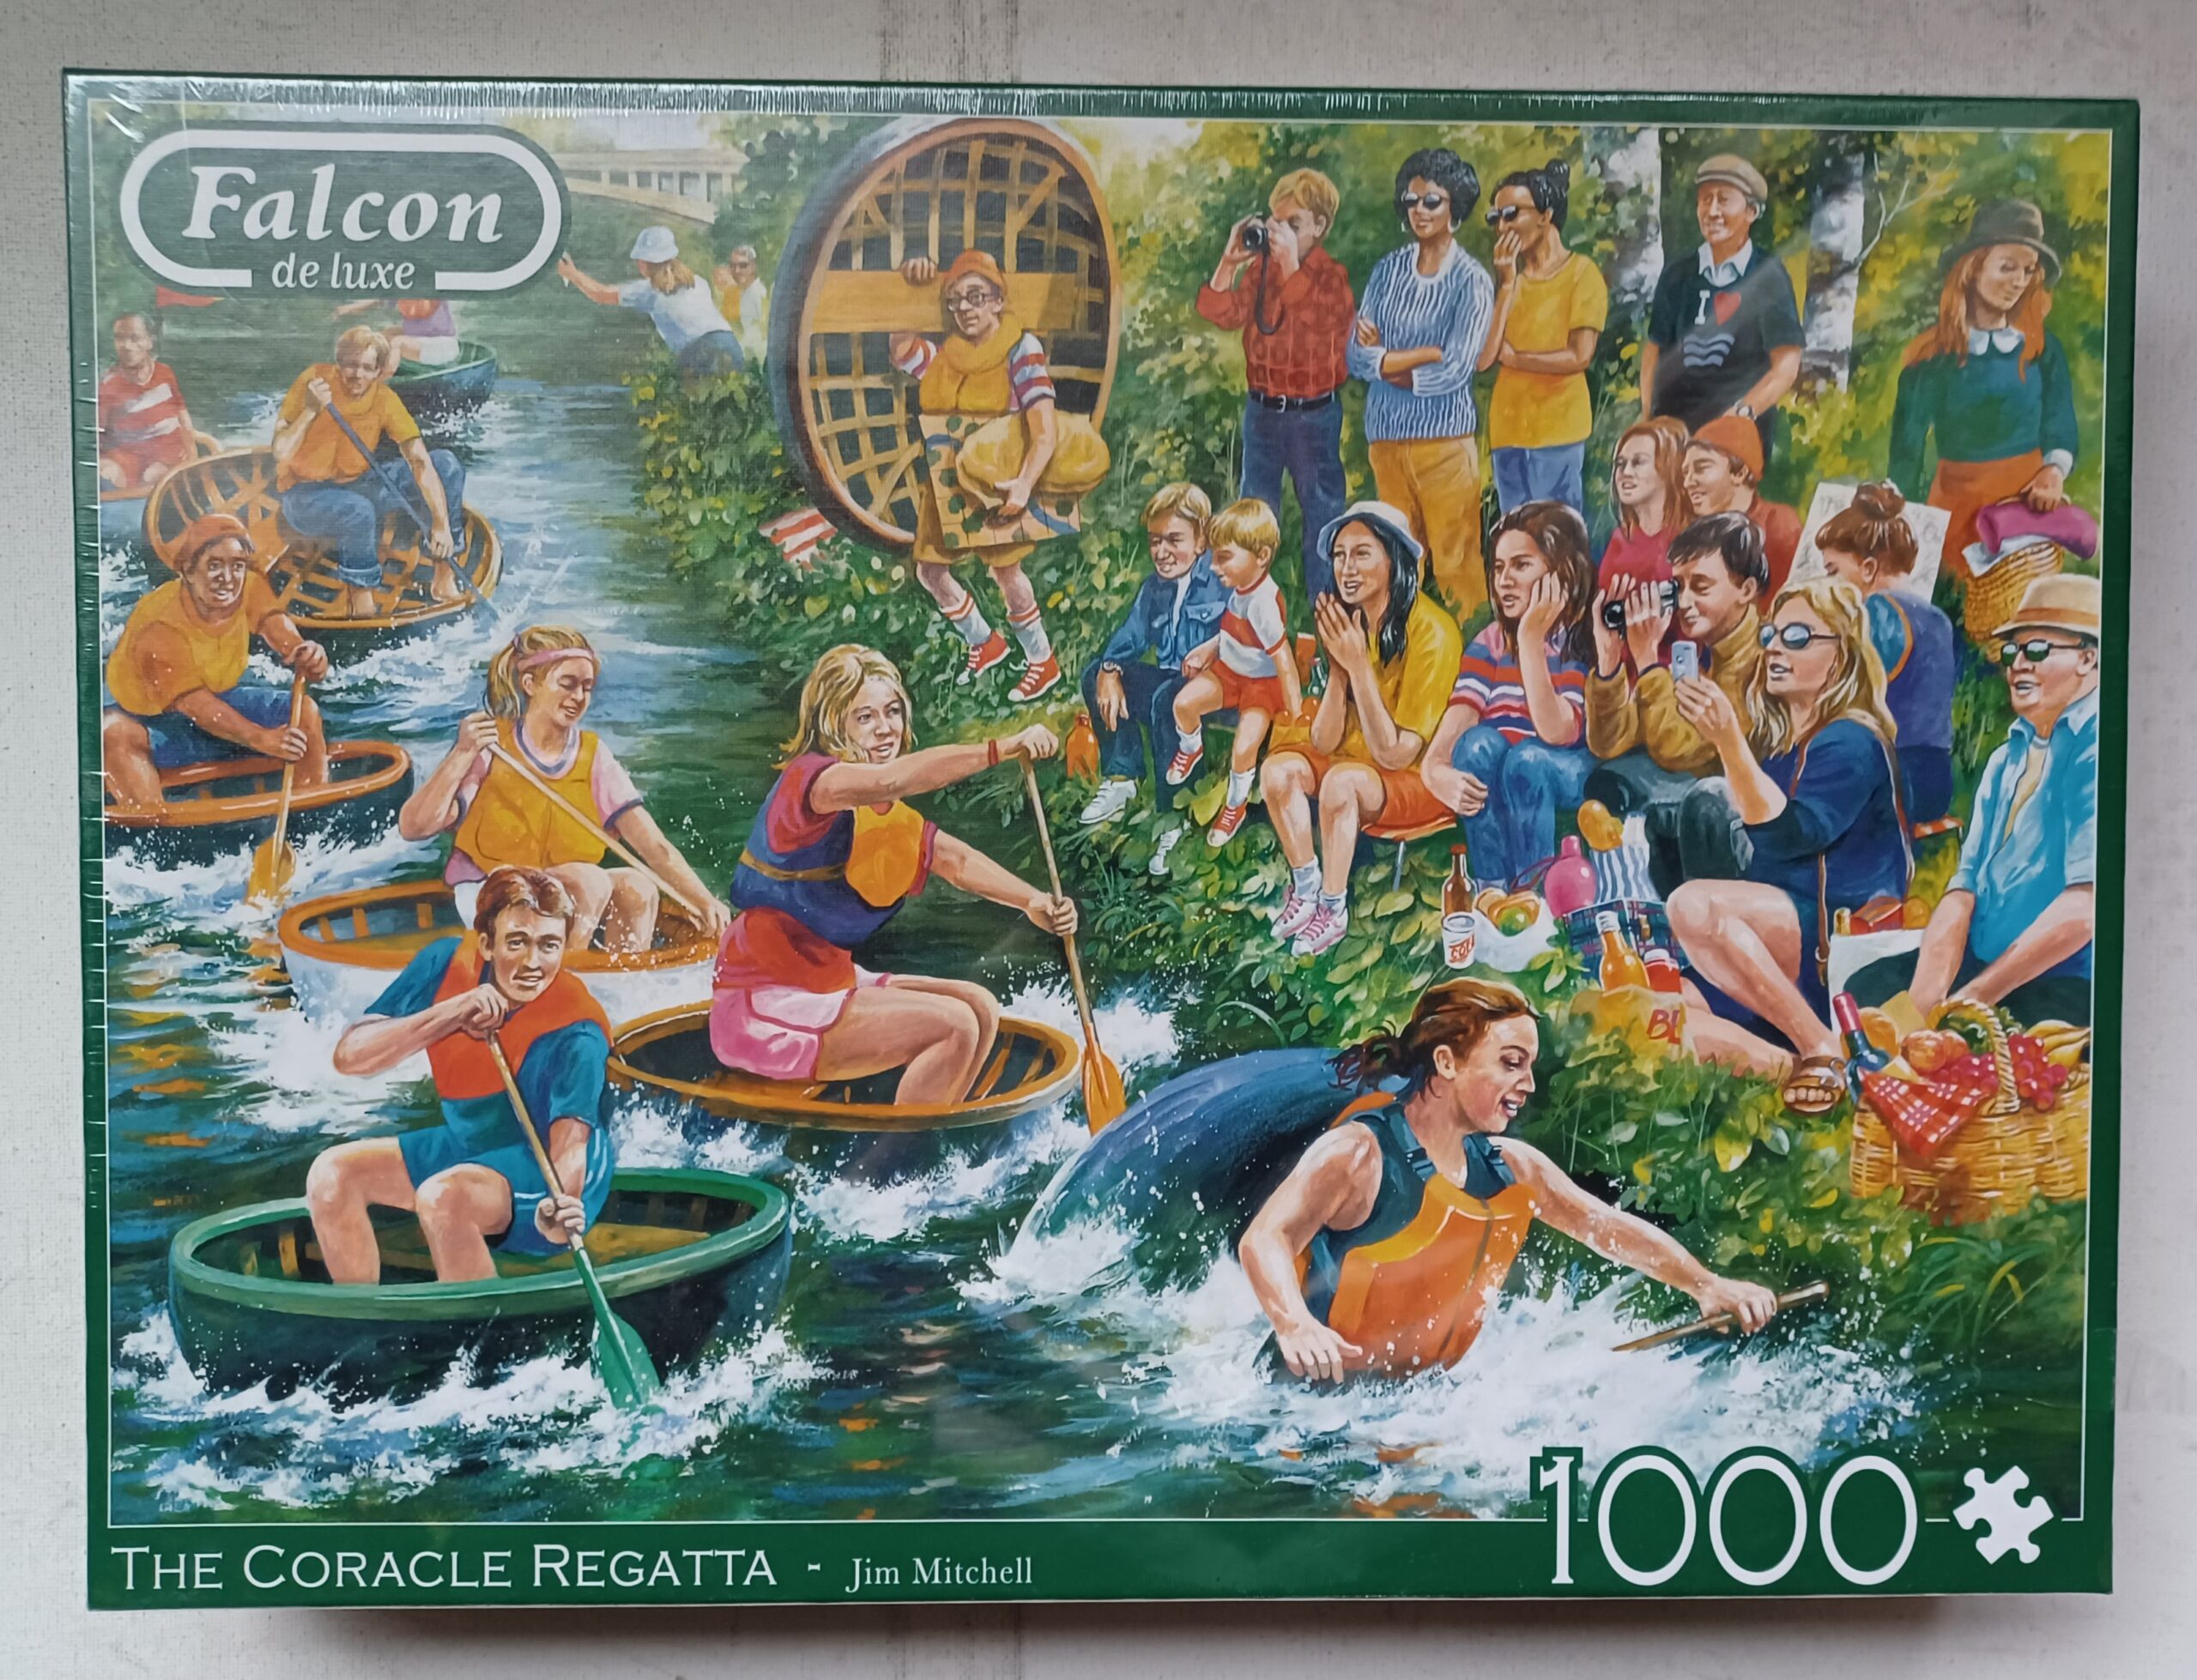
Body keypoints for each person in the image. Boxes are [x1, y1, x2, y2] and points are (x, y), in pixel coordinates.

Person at [1239, 977, 1779, 1382]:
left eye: (1530, 1066)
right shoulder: (1358, 1154)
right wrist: (1295, 1326)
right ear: (1447, 1062)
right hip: (1302, 1408)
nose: (1528, 1084)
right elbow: (1265, 1238)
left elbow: (1605, 1227)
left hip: (1410, 1411)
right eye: (1511, 1063)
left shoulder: (1511, 1167)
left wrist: (1707, 1285)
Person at [711, 644, 1079, 1104]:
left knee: (981, 1007)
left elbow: (955, 861)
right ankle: (900, 1148)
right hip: (764, 1005)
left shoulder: (890, 819)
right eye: (864, 717)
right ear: (833, 725)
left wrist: (1032, 901)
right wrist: (1002, 748)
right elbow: (891, 780)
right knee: (955, 1026)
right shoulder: (812, 784)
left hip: (832, 985)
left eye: (893, 711)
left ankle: (924, 1126)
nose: (885, 728)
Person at [1664, 580, 1911, 1115]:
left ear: (1841, 654)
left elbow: (1792, 836)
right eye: (1772, 635)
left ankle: (1821, 1044)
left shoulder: (1852, 741)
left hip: (1836, 938)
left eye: (1797, 636)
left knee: (1691, 905)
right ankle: (1798, 1070)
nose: (1774, 648)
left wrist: (1727, 741)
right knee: (1659, 1013)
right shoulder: (1783, 743)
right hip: (1779, 939)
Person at [306, 867, 609, 1284]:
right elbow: (351, 1057)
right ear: (486, 944)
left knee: (443, 1197)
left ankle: (479, 1323)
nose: (533, 963)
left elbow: (570, 1149)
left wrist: (559, 1211)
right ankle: (363, 1316)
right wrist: (453, 1013)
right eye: (517, 942)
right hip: (470, 1147)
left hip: (545, 1172)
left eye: (549, 945)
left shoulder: (578, 1032)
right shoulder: (445, 963)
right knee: (332, 1174)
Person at [1851, 575, 2099, 1027]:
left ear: (2088, 657)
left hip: (2058, 977)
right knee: (1864, 990)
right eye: (2011, 652)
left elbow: (2085, 908)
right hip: (1982, 962)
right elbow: (1962, 890)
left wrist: (1972, 1000)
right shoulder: (2007, 757)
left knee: (1978, 1039)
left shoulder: (2097, 749)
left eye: (2036, 650)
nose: (2017, 665)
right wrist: (1924, 1002)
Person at [397, 625, 729, 955]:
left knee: (637, 887)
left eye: (587, 687)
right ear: (530, 684)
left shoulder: (593, 756)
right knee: (589, 881)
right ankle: (559, 978)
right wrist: (462, 753)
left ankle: (621, 976)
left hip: (562, 896)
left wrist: (703, 900)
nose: (579, 698)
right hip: (489, 893)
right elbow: (414, 827)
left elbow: (653, 846)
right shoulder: (492, 747)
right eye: (567, 684)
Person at [887, 248, 1110, 702]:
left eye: (976, 296)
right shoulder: (947, 355)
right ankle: (984, 641)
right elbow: (903, 350)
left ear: (998, 300)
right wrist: (912, 284)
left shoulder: (1021, 350)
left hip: (996, 476)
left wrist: (1024, 484)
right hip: (947, 478)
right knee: (930, 569)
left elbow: (1043, 428)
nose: (965, 309)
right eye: (955, 300)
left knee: (1007, 572)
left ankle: (1042, 661)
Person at [1262, 502, 1462, 958]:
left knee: (1340, 782)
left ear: (1394, 559)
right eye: (1339, 556)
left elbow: (1396, 753)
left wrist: (1358, 666)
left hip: (1417, 777)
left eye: (1361, 554)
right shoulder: (1354, 621)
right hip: (1356, 760)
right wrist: (1338, 670)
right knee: (1278, 771)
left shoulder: (1433, 632)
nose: (1346, 569)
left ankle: (1333, 909)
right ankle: (1306, 887)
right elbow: (1324, 741)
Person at [1345, 148, 1498, 616]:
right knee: (1397, 564)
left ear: (1456, 207)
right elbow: (1356, 356)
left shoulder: (1471, 280)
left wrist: (1386, 360)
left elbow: (1455, 370)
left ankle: (1471, 651)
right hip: (1386, 440)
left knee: (1456, 565)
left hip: (1444, 444)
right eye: (1411, 201)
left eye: (1432, 201)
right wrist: (1424, 354)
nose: (1419, 210)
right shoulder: (1388, 270)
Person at [1583, 511, 1769, 890]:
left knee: (1692, 800)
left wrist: (1648, 661)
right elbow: (1608, 743)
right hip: (1706, 795)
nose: (1684, 601)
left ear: (1746, 590)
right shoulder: (1704, 660)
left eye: (1701, 587)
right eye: (1678, 586)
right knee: (1611, 776)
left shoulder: (1762, 661)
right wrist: (1609, 660)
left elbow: (1678, 750)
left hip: (1748, 816)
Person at [1888, 201, 2079, 567]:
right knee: (1957, 593)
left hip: (2026, 512)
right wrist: (1905, 519)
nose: (2019, 281)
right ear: (1972, 270)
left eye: (2028, 270)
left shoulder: (2042, 349)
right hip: (1955, 512)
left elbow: (2060, 422)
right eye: (2007, 267)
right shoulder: (1931, 358)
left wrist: (2053, 472)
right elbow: (1906, 455)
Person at [1195, 167, 1354, 603]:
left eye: (1294, 224)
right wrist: (1229, 262)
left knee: (1322, 519)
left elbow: (1323, 321)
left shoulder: (1331, 276)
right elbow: (1223, 313)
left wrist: (1290, 267)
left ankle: (1327, 616)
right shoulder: (1260, 272)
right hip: (1263, 412)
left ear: (1319, 227)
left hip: (1313, 416)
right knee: (1253, 514)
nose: (1281, 234)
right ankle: (1246, 611)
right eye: (1276, 223)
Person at [102, 513, 331, 813]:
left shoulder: (247, 586)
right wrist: (261, 738)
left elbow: (275, 625)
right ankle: (152, 820)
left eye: (237, 565)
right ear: (189, 570)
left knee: (304, 711)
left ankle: (311, 808)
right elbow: (195, 704)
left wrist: (305, 652)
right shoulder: (159, 627)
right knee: (114, 735)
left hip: (219, 699)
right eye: (214, 565)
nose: (228, 577)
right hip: (156, 720)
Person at [1420, 502, 1596, 887]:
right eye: (1499, 568)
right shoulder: (1491, 642)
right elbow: (1458, 722)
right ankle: (1493, 890)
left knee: (1527, 761)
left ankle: (1533, 892)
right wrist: (1436, 773)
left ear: (1562, 574)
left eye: (1521, 565)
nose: (1504, 580)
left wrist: (1531, 639)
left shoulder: (1579, 642)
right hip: (1506, 762)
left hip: (1566, 765)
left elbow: (1558, 732)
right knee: (1476, 745)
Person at [274, 325, 467, 619]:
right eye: (351, 365)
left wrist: (440, 524)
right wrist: (311, 411)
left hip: (358, 484)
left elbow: (419, 460)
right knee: (359, 510)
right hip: (304, 494)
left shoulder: (384, 399)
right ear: (339, 364)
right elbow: (280, 451)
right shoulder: (314, 382)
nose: (357, 375)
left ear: (379, 371)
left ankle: (443, 573)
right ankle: (361, 603)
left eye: (367, 368)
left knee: (446, 465)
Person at [1079, 483, 1232, 827]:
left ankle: (1175, 812)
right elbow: (1132, 635)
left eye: (1174, 540)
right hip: (1171, 678)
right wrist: (1110, 669)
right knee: (1095, 674)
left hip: (1217, 689)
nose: (1161, 552)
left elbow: (1246, 633)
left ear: (1201, 540)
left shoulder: (1221, 580)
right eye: (1154, 541)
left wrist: (1215, 647)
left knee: (1168, 699)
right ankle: (1123, 777)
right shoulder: (1154, 588)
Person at [1642, 153, 1803, 465]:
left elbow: (1786, 365)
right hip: (1674, 439)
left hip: (1736, 441)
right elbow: (1654, 351)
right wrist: (1650, 419)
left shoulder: (1767, 276)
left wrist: (1739, 415)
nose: (1712, 211)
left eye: (1724, 200)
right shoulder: (1677, 275)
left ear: (1751, 212)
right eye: (1705, 200)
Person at [1814, 482, 1958, 821]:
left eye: (1833, 571)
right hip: (1936, 777)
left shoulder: (1876, 613)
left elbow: (1843, 692)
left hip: (1894, 776)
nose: (1827, 584)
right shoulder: (1937, 619)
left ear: (1868, 568)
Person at [1167, 499, 1304, 846]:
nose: (1214, 567)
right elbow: (1231, 635)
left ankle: (1235, 806)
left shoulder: (1262, 603)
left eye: (1224, 557)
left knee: (1244, 748)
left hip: (1261, 686)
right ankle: (1191, 748)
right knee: (1183, 704)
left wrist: (1295, 713)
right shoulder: (1240, 591)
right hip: (1228, 672)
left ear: (1261, 556)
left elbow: (1284, 660)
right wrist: (1208, 649)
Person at [1481, 160, 1608, 516]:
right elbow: (1484, 358)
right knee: (1515, 534)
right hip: (1507, 432)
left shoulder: (1581, 273)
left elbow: (1579, 356)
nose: (1502, 227)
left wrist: (1517, 359)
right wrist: (1506, 284)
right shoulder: (1511, 282)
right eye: (1495, 218)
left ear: (1546, 215)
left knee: (1556, 534)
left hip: (1558, 433)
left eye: (1511, 214)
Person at [557, 227, 744, 378]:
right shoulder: (698, 282)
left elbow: (600, 294)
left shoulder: (649, 291)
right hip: (731, 346)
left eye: (639, 260)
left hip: (699, 354)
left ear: (644, 263)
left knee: (696, 406)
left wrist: (571, 273)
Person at [1681, 414, 1801, 598]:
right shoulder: (1693, 533)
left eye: (1701, 468)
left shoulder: (1779, 524)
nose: (1687, 483)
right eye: (1685, 473)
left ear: (1739, 473)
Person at [1595, 415, 1693, 618]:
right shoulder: (1620, 539)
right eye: (1620, 464)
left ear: (1668, 469)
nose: (1625, 472)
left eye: (1638, 462)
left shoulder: (1691, 540)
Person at [97, 312, 196, 489]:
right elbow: (99, 433)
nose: (126, 346)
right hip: (127, 456)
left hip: (166, 454)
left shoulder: (165, 374)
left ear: (150, 342)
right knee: (106, 472)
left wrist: (193, 456)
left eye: (135, 339)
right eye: (120, 338)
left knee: (154, 477)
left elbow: (183, 416)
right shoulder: (109, 384)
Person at [335, 296, 462, 366]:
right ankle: (365, 368)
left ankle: (382, 379)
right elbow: (377, 300)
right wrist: (349, 308)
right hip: (419, 341)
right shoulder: (404, 286)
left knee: (397, 342)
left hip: (443, 345)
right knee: (381, 337)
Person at [712, 243, 770, 370]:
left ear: (753, 266)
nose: (737, 271)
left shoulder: (758, 293)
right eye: (733, 266)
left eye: (743, 266)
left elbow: (762, 334)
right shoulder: (744, 293)